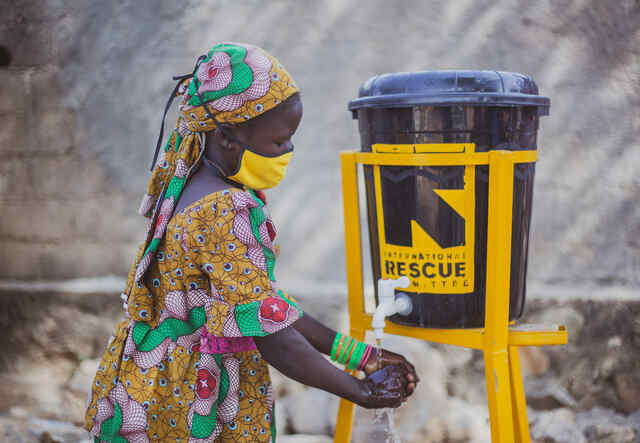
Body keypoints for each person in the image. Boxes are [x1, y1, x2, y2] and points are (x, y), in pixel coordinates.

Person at [84, 42, 418, 443]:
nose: (289, 149)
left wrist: (361, 356)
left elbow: (265, 306)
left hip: (149, 387)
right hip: (195, 400)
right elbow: (271, 334)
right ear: (227, 136)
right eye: (280, 141)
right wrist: (361, 391)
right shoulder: (228, 209)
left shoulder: (187, 187)